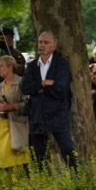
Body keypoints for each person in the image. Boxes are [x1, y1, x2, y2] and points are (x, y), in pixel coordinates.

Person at [20, 31, 78, 167]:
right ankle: (43, 184)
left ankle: (77, 182)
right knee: (39, 154)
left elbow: (60, 89)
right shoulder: (32, 65)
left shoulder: (61, 64)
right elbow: (24, 88)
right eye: (40, 42)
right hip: (37, 114)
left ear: (54, 46)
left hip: (57, 114)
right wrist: (43, 83)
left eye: (46, 42)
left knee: (67, 150)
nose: (42, 45)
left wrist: (39, 90)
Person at [0, 55, 28, 169]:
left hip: (16, 126)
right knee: (2, 163)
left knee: (15, 161)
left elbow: (28, 103)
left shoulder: (21, 83)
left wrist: (11, 106)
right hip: (0, 128)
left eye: (1, 66)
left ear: (10, 66)